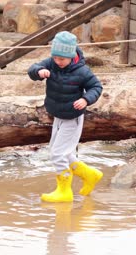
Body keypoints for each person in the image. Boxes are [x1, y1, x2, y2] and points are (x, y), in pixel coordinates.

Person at [28, 31, 103, 203]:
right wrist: (39, 71)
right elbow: (32, 69)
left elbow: (96, 87)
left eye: (62, 59)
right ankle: (90, 175)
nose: (58, 62)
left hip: (73, 118)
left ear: (71, 56)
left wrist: (85, 99)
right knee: (63, 152)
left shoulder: (82, 71)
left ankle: (64, 191)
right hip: (58, 115)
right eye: (55, 58)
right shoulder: (52, 63)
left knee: (57, 154)